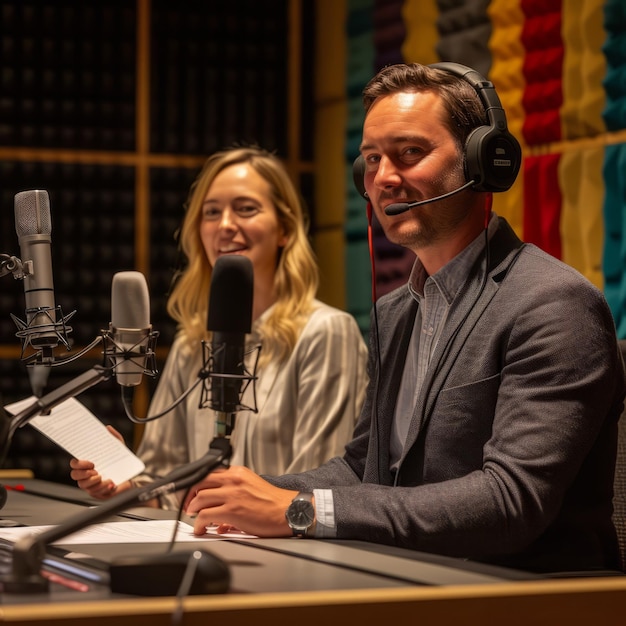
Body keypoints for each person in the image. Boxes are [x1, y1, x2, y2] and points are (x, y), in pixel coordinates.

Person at [182, 63, 626, 575]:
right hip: (413, 581)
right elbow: (360, 468)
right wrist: (239, 492)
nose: (384, 179)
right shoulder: (396, 312)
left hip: (524, 598)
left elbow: (511, 500)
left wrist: (299, 511)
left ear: (483, 161)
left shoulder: (554, 305)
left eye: (410, 153)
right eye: (371, 160)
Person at [70, 145, 368, 510]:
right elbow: (163, 481)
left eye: (246, 209)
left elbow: (319, 484)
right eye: (212, 212)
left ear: (284, 230)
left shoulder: (327, 333)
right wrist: (124, 487)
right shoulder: (191, 341)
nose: (225, 225)